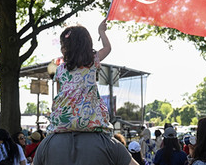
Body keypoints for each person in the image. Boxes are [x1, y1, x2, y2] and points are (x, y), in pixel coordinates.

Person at [33, 20, 138, 165]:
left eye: (63, 45)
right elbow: (107, 48)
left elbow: (60, 95)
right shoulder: (92, 61)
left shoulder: (60, 69)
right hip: (89, 119)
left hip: (63, 123)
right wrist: (101, 31)